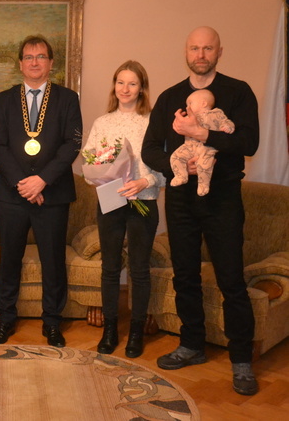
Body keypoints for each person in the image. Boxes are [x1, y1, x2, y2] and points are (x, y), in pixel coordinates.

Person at [141, 26, 260, 395]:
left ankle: (241, 359)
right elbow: (150, 149)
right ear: (186, 52)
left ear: (219, 52)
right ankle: (192, 344)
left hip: (223, 197)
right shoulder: (169, 98)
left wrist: (204, 135)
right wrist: (178, 165)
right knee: (185, 275)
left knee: (231, 279)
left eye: (208, 48)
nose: (201, 54)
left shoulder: (238, 92)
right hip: (181, 199)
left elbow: (249, 142)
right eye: (195, 48)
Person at [0, 35, 82, 347]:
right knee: (9, 259)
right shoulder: (4, 99)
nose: (34, 62)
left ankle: (52, 322)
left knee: (53, 261)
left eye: (41, 56)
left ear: (51, 63)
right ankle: (5, 319)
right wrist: (23, 182)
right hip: (12, 194)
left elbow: (72, 144)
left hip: (52, 194)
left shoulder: (67, 99)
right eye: (28, 57)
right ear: (20, 63)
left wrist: (42, 180)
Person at [82, 60, 165, 357]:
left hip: (143, 201)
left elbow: (168, 168)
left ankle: (136, 332)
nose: (125, 89)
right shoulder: (102, 123)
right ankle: (110, 330)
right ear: (114, 86)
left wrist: (144, 181)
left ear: (142, 88)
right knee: (109, 267)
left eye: (132, 83)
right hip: (111, 200)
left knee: (139, 269)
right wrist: (101, 176)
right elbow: (89, 164)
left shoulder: (153, 123)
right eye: (120, 82)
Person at [169, 89, 235, 196]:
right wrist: (179, 121)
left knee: (204, 165)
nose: (187, 107)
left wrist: (228, 127)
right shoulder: (190, 117)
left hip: (206, 147)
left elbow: (226, 122)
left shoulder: (216, 114)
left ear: (203, 103)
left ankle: (203, 185)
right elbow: (180, 127)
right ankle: (181, 176)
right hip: (189, 146)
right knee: (175, 156)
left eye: (190, 104)